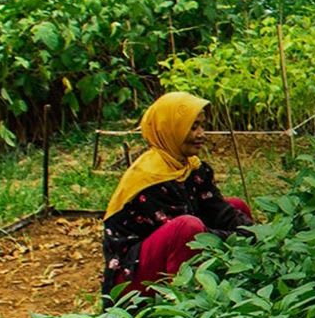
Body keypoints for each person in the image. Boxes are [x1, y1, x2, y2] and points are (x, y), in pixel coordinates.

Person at [102, 91, 253, 298]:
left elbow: (218, 209)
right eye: (192, 127)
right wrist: (242, 237)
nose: (201, 134)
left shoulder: (191, 167)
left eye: (202, 125)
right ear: (170, 129)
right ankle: (183, 301)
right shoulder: (150, 179)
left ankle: (237, 282)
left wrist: (259, 234)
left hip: (169, 256)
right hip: (134, 277)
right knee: (188, 227)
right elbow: (190, 237)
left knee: (237, 206)